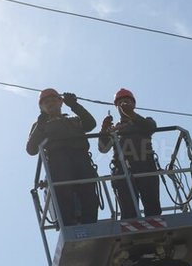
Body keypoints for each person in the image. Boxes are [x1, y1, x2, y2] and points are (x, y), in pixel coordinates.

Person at [26, 88, 100, 226]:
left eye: (53, 100)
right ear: (41, 108)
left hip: (81, 160)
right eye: (46, 102)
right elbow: (31, 149)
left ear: (61, 102)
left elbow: (91, 124)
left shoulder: (74, 120)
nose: (50, 103)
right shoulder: (40, 126)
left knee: (89, 193)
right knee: (63, 194)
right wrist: (40, 127)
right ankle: (69, 225)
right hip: (59, 163)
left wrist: (75, 105)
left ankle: (90, 224)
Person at [98, 88, 161, 219]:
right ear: (116, 106)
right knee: (128, 211)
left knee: (152, 206)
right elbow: (103, 148)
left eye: (127, 102)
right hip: (121, 169)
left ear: (133, 104)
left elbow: (151, 127)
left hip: (146, 165)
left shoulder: (144, 122)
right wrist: (104, 130)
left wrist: (132, 115)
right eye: (121, 102)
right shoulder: (114, 129)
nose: (124, 104)